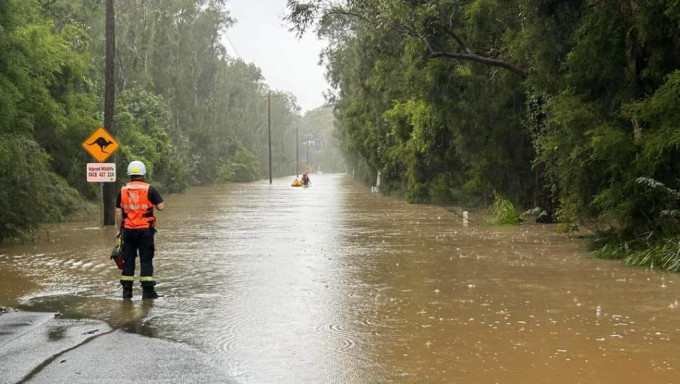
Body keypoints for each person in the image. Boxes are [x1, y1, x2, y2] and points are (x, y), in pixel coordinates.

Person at [115, 160, 165, 300]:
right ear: (143, 174)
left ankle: (127, 294)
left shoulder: (123, 190)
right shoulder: (150, 189)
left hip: (128, 230)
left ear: (129, 174)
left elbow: (118, 211)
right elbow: (161, 207)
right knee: (146, 260)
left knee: (128, 259)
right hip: (145, 230)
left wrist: (119, 230)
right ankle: (148, 293)